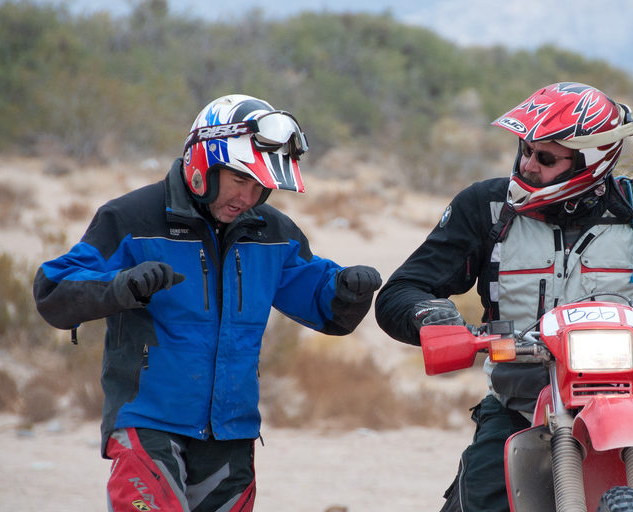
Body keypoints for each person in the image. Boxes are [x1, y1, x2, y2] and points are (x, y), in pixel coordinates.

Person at [375, 82, 633, 512]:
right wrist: (432, 316)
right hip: (518, 410)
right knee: (475, 501)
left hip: (629, 409)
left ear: (591, 161)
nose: (528, 164)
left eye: (545, 157)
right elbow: (403, 290)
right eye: (525, 149)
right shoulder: (486, 208)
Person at [33, 94, 382, 511]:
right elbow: (53, 290)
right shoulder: (130, 218)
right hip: (148, 424)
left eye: (261, 187)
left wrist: (348, 291)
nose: (248, 198)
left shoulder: (274, 233)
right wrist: (120, 286)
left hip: (231, 435)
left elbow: (325, 309)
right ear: (203, 164)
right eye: (240, 181)